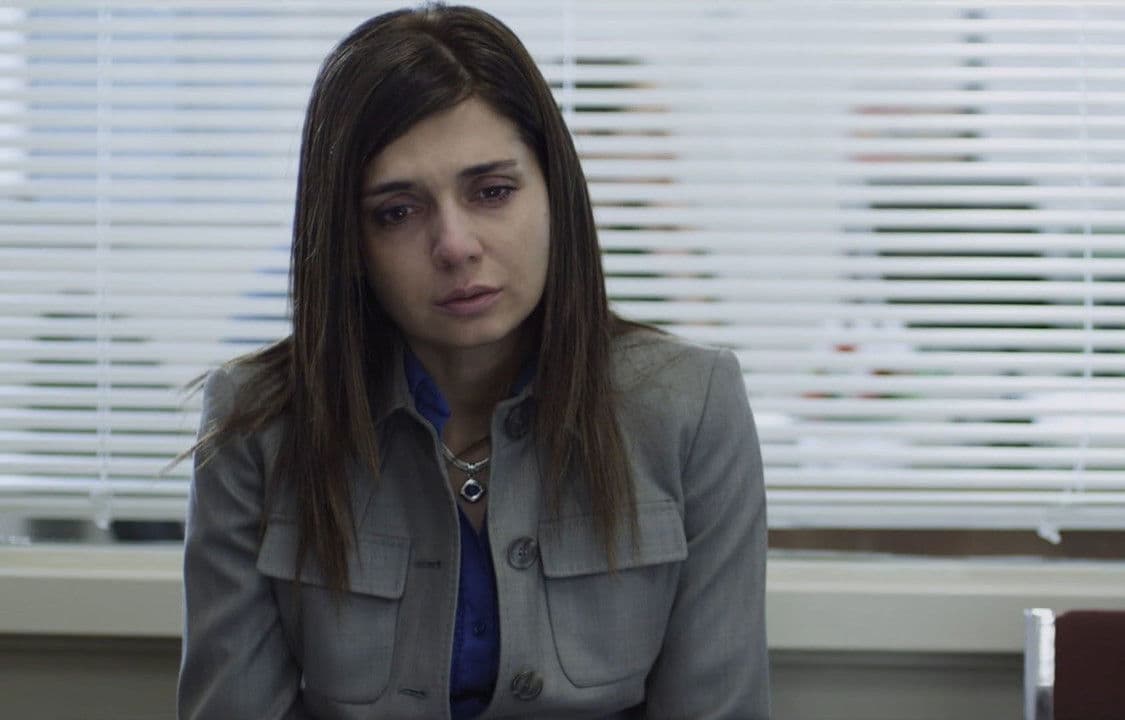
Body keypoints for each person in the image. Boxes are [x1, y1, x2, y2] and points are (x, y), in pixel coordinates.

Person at [176, 4, 769, 719]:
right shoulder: (256, 425)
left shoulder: (691, 405)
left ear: (555, 195)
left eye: (492, 192)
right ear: (349, 243)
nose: (455, 245)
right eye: (397, 211)